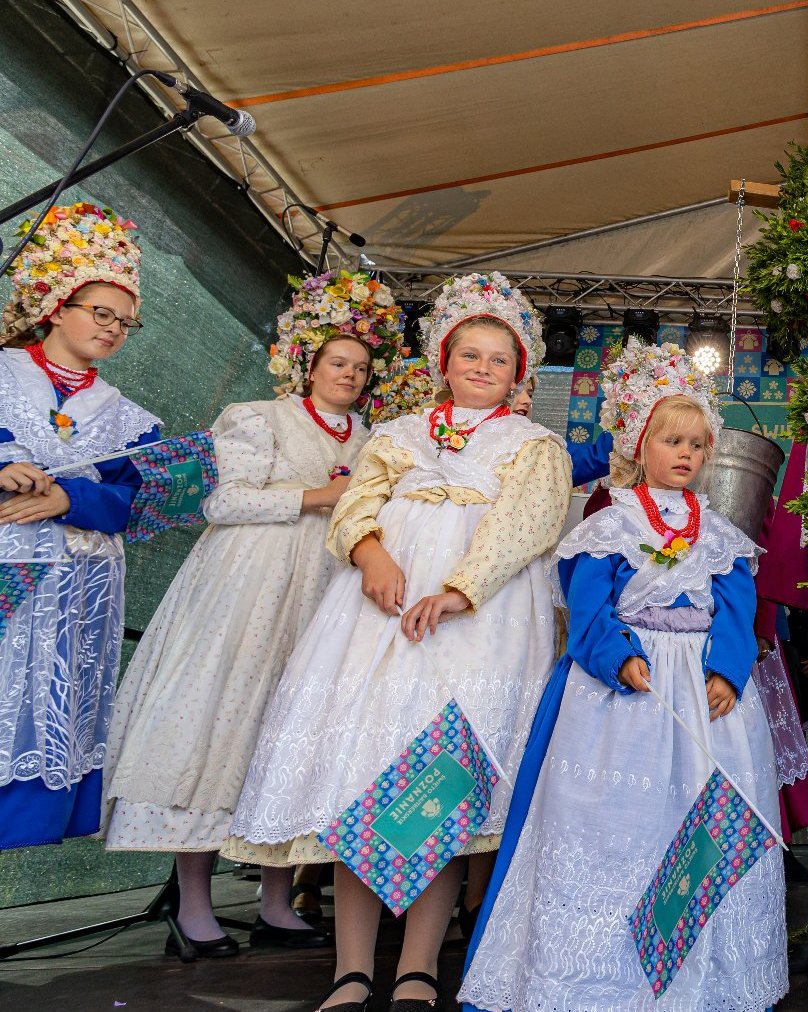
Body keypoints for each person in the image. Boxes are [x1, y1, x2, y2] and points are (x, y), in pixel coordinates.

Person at [223, 272, 571, 1011]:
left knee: (436, 790)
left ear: (520, 375)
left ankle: (418, 965)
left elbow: (527, 527)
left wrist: (459, 589)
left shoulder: (535, 444)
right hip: (377, 619)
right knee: (364, 779)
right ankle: (352, 968)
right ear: (443, 362)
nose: (482, 368)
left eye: (498, 360)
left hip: (478, 627)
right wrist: (372, 555)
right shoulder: (398, 434)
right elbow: (356, 505)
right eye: (468, 354)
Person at [461, 340, 786, 1010]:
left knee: (697, 816)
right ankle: (596, 972)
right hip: (625, 694)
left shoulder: (719, 531)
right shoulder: (610, 518)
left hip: (700, 694)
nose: (687, 456)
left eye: (698, 445)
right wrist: (617, 656)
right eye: (672, 441)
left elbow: (736, 605)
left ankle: (705, 974)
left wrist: (726, 668)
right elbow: (588, 606)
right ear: (641, 444)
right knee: (613, 826)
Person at [102, 270, 403, 957]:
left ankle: (274, 901)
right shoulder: (257, 418)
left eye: (359, 368)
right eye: (337, 363)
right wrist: (318, 497)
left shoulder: (374, 440)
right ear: (309, 364)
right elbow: (224, 502)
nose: (348, 375)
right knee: (219, 726)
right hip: (246, 589)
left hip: (326, 593)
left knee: (288, 737)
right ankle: (195, 904)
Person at [0, 203, 161, 851]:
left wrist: (65, 499)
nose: (115, 328)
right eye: (101, 312)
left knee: (38, 723)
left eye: (126, 321)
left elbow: (137, 505)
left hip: (72, 605)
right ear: (57, 304)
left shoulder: (130, 420)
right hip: (9, 580)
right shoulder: (4, 375)